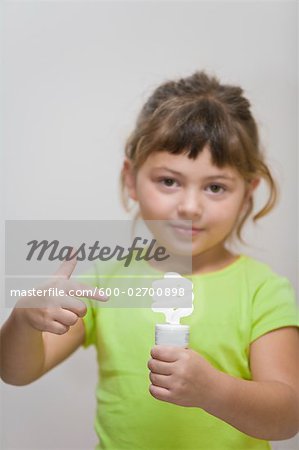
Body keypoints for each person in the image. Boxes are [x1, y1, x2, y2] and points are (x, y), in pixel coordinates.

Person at [1, 71, 298, 450]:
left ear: (247, 193)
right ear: (131, 178)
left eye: (215, 187)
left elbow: (287, 416)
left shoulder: (262, 291)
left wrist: (213, 391)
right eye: (169, 182)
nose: (190, 207)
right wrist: (23, 319)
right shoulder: (106, 280)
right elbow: (16, 371)